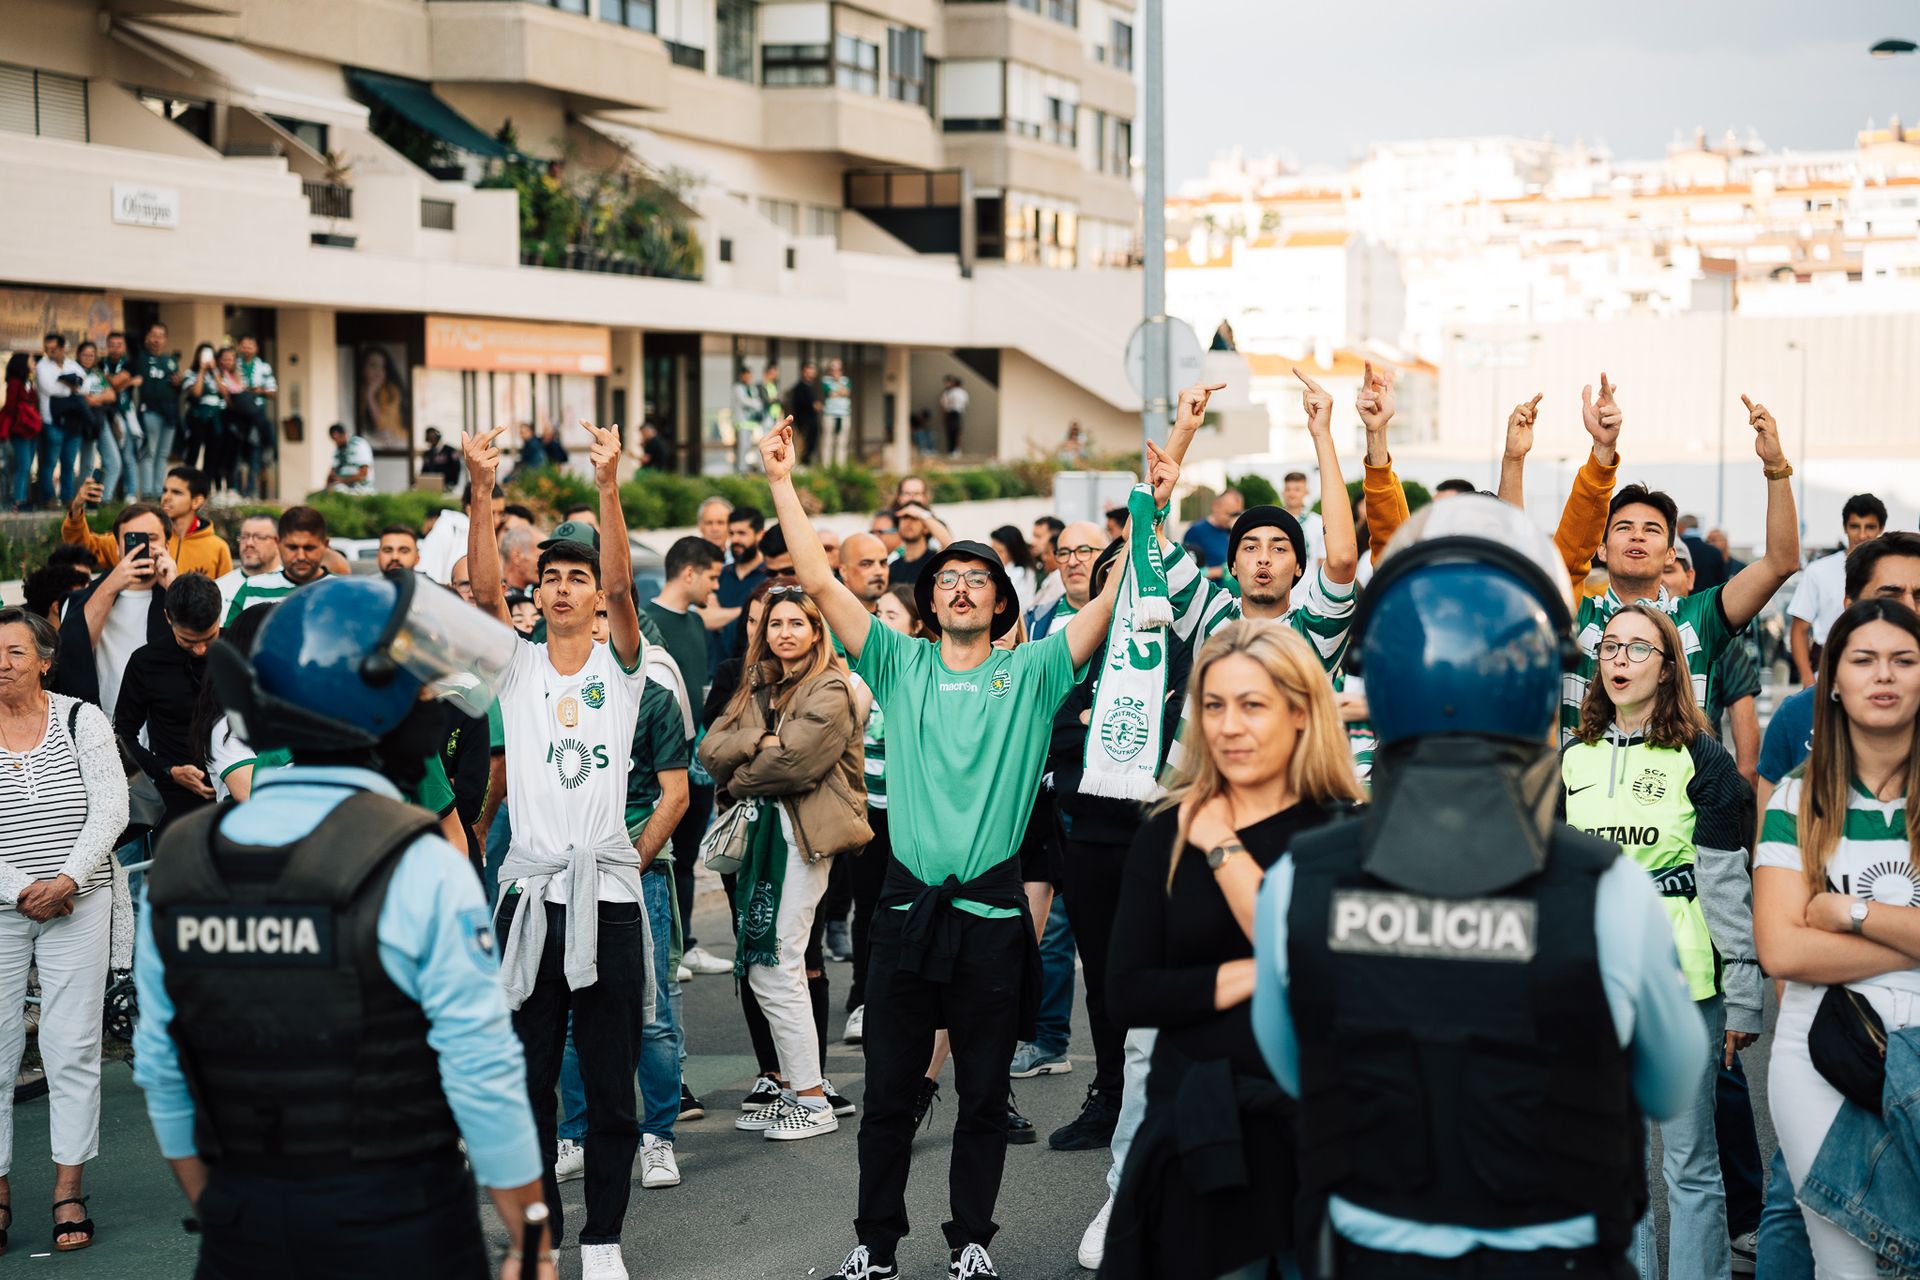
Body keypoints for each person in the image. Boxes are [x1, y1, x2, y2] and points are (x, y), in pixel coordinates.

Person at [1253, 496, 1708, 1278]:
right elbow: (1669, 1080)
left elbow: (1295, 1065)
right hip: (1557, 1250)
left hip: (1367, 1246)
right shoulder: (1608, 890)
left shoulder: (1298, 878)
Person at [754, 413, 1126, 1280]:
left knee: (984, 1097)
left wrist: (1161, 484)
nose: (960, 589)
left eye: (977, 581)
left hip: (992, 915)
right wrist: (781, 481)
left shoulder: (1034, 671)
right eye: (947, 579)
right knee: (889, 1097)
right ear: (930, 600)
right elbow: (816, 576)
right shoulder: (896, 663)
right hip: (905, 910)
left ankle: (971, 1247)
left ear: (1002, 602)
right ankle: (875, 1245)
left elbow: (1115, 601)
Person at [132, 573, 555, 1280]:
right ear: (387, 712)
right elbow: (483, 1074)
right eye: (420, 688)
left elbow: (164, 1068)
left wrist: (233, 1211)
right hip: (401, 1228)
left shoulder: (181, 861)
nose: (430, 701)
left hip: (245, 1227)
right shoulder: (417, 863)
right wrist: (532, 1235)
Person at [1101, 621, 1365, 1280]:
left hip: (1317, 1129)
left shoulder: (1345, 832)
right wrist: (1260, 972)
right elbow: (1127, 992)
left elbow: (1340, 980)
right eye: (1214, 706)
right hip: (1197, 1130)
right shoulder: (1166, 828)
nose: (1228, 726)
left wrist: (1221, 846)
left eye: (1253, 705)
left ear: (1300, 713)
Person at [464, 418, 650, 1280]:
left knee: (610, 1085)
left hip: (606, 899)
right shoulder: (517, 667)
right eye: (552, 578)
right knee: (528, 1083)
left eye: (580, 576)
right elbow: (478, 598)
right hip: (530, 901)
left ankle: (604, 1235)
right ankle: (537, 1230)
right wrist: (481, 486)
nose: (568, 588)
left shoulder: (622, 666)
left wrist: (607, 485)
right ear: (534, 593)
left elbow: (623, 586)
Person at [1563, 603, 1761, 1280]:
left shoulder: (1701, 758)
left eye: (1637, 649)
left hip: (1682, 983)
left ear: (1669, 666)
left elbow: (1725, 886)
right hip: (1593, 987)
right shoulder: (1572, 757)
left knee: (1690, 1163)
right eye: (1610, 647)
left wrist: (1744, 995)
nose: (1618, 660)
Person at [1753, 597, 1920, 1280]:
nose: (1884, 674)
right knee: (1845, 1268)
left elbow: (1812, 934)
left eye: (1904, 660)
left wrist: (1849, 914)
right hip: (1822, 1052)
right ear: (1835, 681)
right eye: (1864, 660)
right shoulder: (1797, 798)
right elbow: (1782, 951)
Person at [700, 584, 869, 1140]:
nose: (785, 633)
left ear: (817, 631)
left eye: (797, 623)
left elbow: (796, 765)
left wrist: (742, 767)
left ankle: (813, 1100)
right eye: (776, 624)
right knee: (773, 965)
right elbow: (709, 749)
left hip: (801, 837)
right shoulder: (758, 682)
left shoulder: (831, 688)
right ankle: (800, 1089)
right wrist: (761, 739)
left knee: (778, 964)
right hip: (760, 835)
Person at [1559, 394, 1799, 740]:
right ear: (1602, 550)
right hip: (1584, 793)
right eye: (1624, 528)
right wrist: (1601, 453)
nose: (1637, 536)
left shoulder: (1698, 618)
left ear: (1672, 553)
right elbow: (1542, 567)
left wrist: (1776, 467)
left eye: (1652, 529)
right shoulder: (1579, 616)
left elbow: (1781, 562)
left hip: (1680, 793)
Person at [0, 607, 128, 1254]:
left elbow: (111, 807)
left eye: (16, 652)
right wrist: (18, 889)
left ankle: (67, 1187)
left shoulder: (83, 718)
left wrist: (67, 881)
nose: (2, 663)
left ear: (44, 661)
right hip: (0, 909)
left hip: (80, 902)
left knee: (70, 1046)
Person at [1759, 532, 1920, 814]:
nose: (1909, 609)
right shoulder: (1797, 717)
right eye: (1890, 596)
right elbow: (1768, 847)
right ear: (1851, 606)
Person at [114, 571, 223, 830]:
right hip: (175, 803)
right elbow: (121, 737)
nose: (200, 650)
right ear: (167, 617)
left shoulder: (240, 649)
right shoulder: (145, 662)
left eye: (209, 638)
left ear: (220, 616)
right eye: (188, 641)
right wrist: (168, 770)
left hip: (238, 796)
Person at [53, 502, 175, 716]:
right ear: (118, 547)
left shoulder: (179, 592)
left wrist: (174, 585)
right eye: (132, 540)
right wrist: (112, 584)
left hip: (164, 731)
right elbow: (73, 648)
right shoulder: (83, 598)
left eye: (152, 539)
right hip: (103, 725)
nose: (141, 547)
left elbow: (198, 643)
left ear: (167, 545)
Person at [63, 463, 231, 579]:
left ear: (197, 501)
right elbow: (81, 546)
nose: (166, 497)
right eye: (165, 490)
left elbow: (225, 600)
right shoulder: (137, 536)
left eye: (176, 493)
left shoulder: (217, 548)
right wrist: (77, 507)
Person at [1788, 494, 1886, 686]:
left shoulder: (1892, 571)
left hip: (1882, 667)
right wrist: (1807, 679)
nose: (1862, 534)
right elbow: (1799, 629)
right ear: (1845, 528)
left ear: (1881, 529)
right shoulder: (1818, 571)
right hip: (1828, 668)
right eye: (1855, 526)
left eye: (1870, 527)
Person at [646, 537, 723, 696]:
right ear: (689, 574)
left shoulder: (697, 622)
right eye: (712, 577)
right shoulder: (645, 624)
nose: (716, 586)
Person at [227, 505, 328, 620]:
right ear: (278, 543)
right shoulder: (251, 588)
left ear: (325, 545)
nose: (301, 556)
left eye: (309, 548)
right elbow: (231, 637)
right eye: (292, 547)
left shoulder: (341, 590)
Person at [35, 334, 86, 508]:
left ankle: (67, 498)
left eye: (53, 349)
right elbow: (49, 388)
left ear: (63, 348)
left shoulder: (72, 364)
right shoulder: (42, 365)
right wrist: (71, 385)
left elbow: (84, 386)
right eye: (47, 349)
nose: (49, 352)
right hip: (51, 420)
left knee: (69, 462)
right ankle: (49, 498)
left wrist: (66, 383)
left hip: (72, 421)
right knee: (49, 462)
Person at [134, 323, 183, 500]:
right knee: (148, 452)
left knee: (162, 455)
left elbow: (178, 388)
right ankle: (146, 493)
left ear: (165, 339)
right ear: (147, 337)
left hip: (169, 414)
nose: (156, 339)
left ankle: (158, 492)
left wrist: (179, 384)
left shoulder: (170, 361)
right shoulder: (140, 358)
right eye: (153, 335)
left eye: (160, 336)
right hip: (149, 412)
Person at [2, 351, 44, 511]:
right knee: (23, 466)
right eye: (31, 361)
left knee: (27, 466)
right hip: (20, 429)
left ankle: (23, 499)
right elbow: (10, 407)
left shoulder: (29, 381)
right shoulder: (14, 383)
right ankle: (18, 501)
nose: (34, 364)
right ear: (23, 364)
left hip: (31, 429)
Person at [1181, 488, 1243, 581]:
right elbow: (1185, 571)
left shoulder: (1234, 531)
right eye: (1229, 514)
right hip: (1210, 592)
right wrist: (1220, 571)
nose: (1233, 519)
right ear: (1215, 506)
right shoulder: (1196, 531)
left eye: (1237, 514)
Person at [988, 525, 1037, 618]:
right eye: (993, 549)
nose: (995, 554)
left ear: (1013, 551)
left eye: (1000, 551)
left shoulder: (1021, 573)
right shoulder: (997, 568)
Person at [887, 504, 939, 587]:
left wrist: (923, 514)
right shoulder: (892, 567)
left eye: (914, 518)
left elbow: (948, 542)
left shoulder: (936, 561)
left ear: (926, 528)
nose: (908, 522)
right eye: (904, 518)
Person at [732, 367, 766, 470]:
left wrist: (755, 403)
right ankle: (741, 469)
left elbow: (758, 402)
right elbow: (744, 401)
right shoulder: (737, 388)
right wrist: (755, 403)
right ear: (742, 376)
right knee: (744, 446)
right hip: (742, 422)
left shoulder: (752, 388)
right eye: (746, 375)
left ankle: (758, 467)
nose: (748, 378)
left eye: (749, 375)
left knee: (757, 445)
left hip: (753, 422)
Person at [327, 422, 375, 494]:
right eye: (334, 439)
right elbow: (332, 472)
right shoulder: (339, 449)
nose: (336, 442)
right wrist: (327, 488)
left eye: (338, 438)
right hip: (340, 488)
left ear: (344, 434)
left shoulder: (357, 444)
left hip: (360, 489)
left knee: (338, 490)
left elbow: (363, 474)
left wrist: (341, 481)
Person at [822, 358, 853, 467]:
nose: (836, 372)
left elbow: (846, 392)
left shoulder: (846, 380)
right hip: (830, 414)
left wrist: (838, 391)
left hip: (844, 414)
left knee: (842, 442)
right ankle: (827, 466)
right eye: (833, 369)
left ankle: (841, 467)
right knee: (828, 441)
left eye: (838, 369)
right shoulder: (826, 380)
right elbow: (831, 393)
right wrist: (840, 391)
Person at [789, 361, 821, 464]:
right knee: (802, 446)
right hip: (803, 422)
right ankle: (801, 464)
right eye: (808, 371)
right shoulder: (799, 387)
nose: (811, 373)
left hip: (812, 422)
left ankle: (806, 463)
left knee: (811, 445)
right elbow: (799, 404)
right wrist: (812, 405)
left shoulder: (815, 387)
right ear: (803, 372)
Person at [939, 376, 968, 457]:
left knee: (955, 432)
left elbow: (944, 404)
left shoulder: (952, 392)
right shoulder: (960, 392)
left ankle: (954, 450)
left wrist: (943, 415)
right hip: (955, 413)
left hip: (954, 412)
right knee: (955, 432)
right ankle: (954, 450)